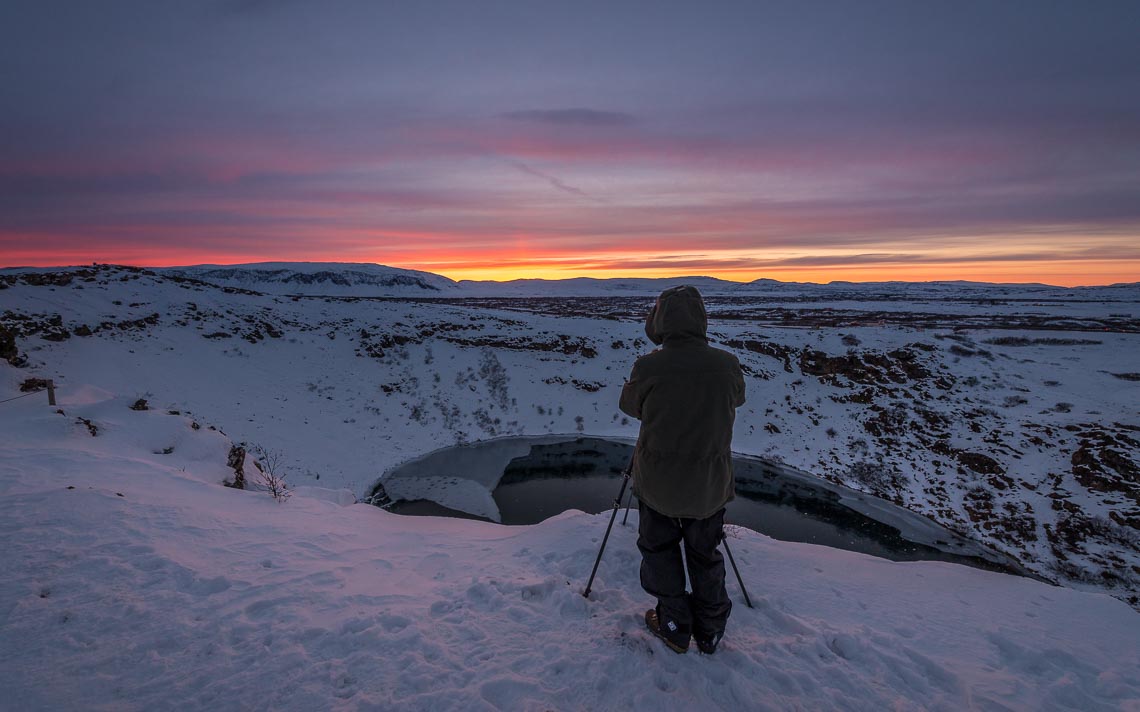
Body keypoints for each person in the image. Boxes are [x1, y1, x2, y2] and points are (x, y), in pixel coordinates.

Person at [618, 285, 746, 655]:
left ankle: (674, 624)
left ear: (659, 320)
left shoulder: (649, 365)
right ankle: (710, 628)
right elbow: (738, 398)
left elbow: (630, 406)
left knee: (659, 550)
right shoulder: (726, 364)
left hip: (658, 481)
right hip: (709, 482)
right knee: (705, 553)